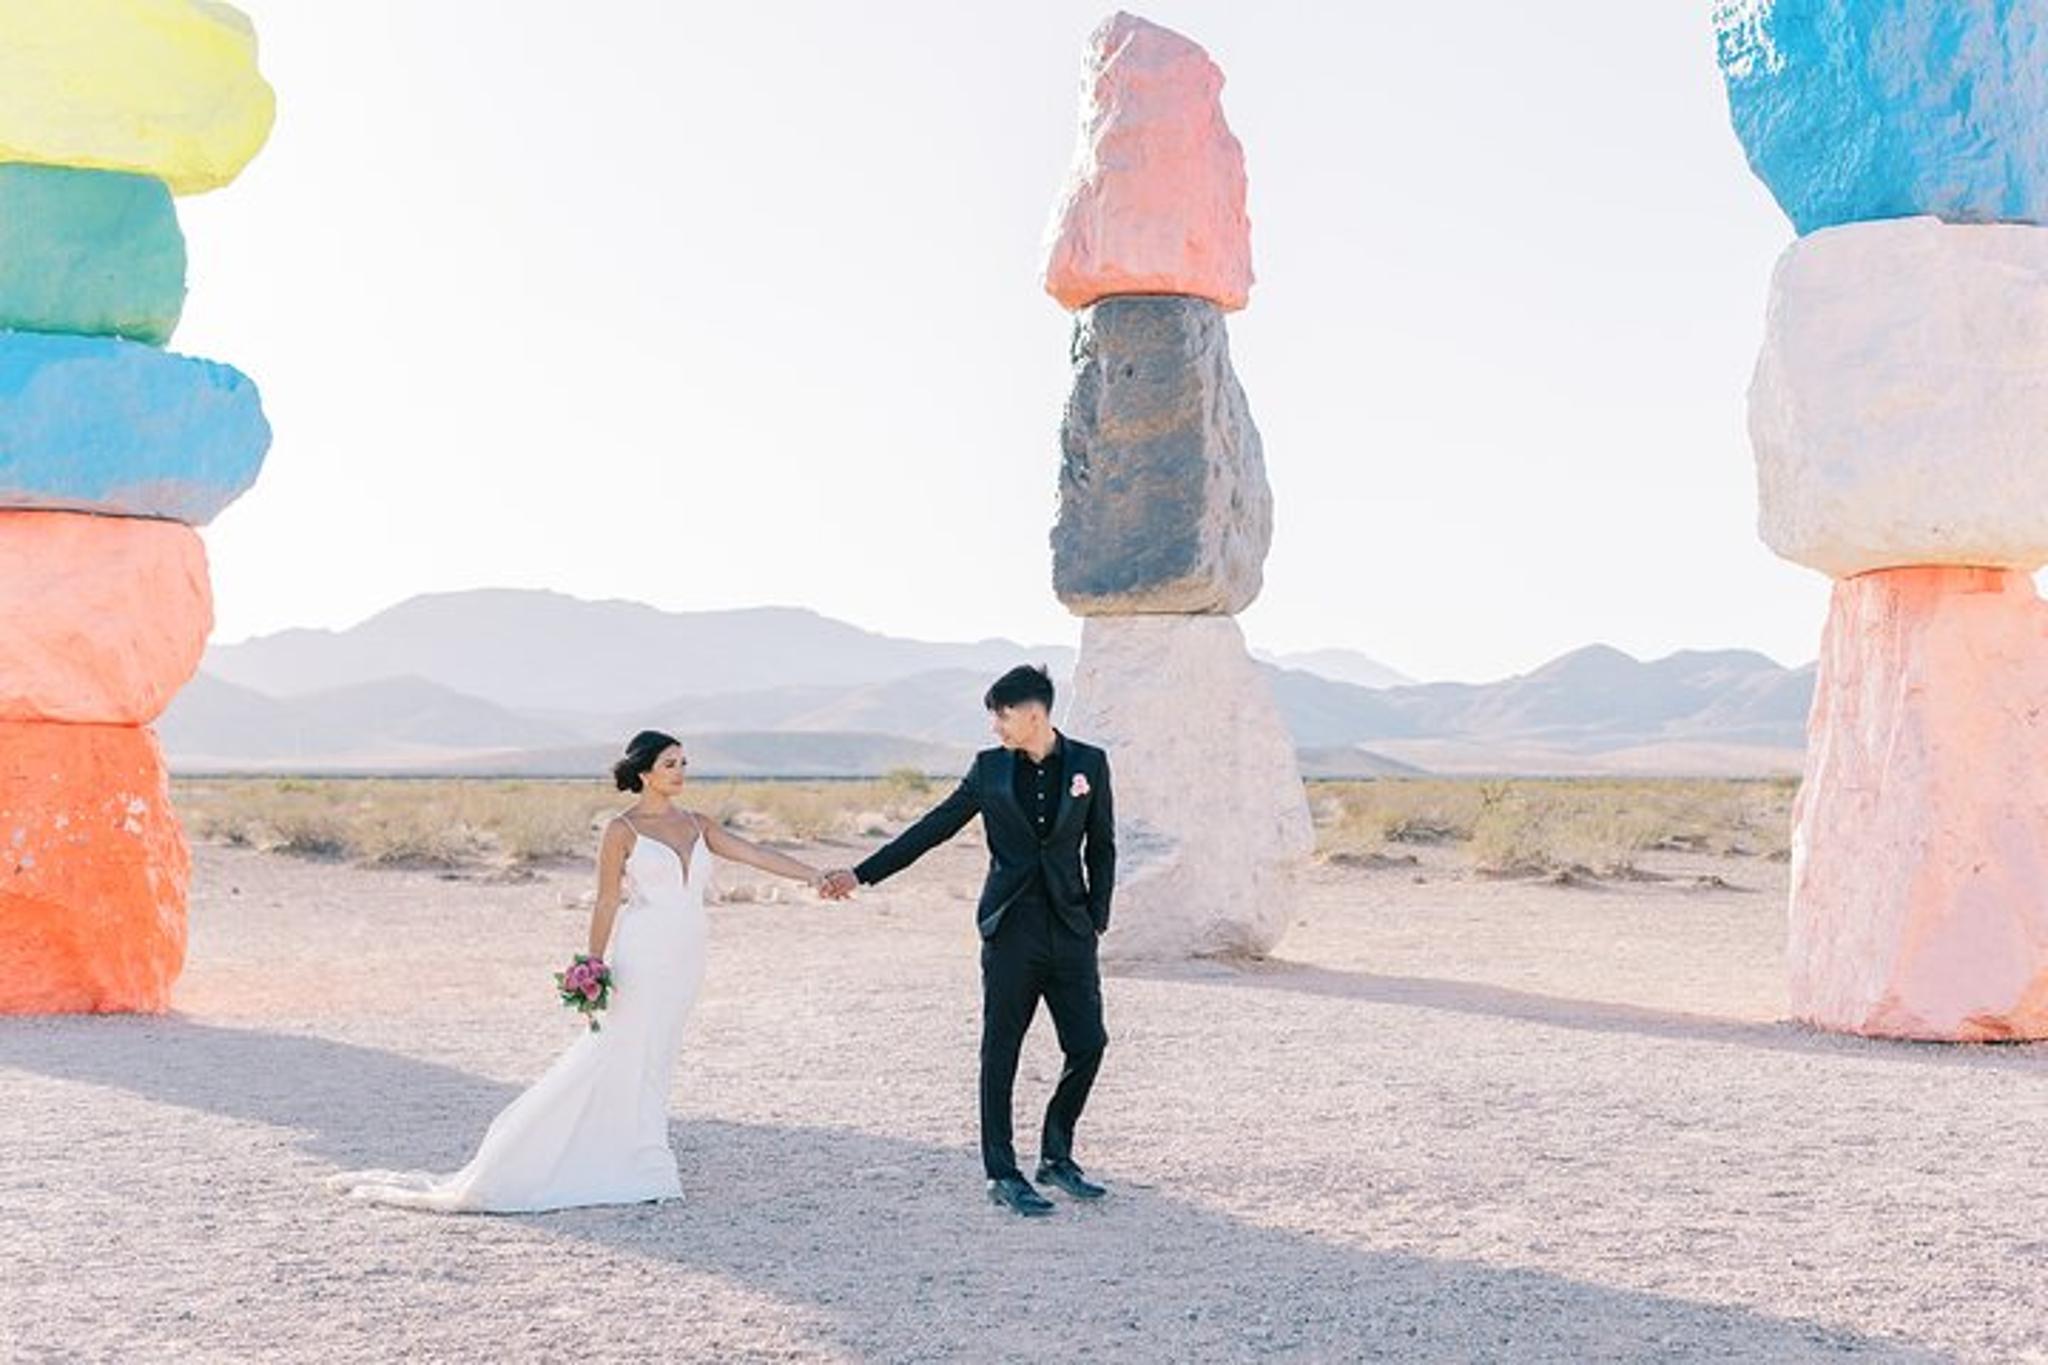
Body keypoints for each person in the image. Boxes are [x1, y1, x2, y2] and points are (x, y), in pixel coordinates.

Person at [329, 730, 833, 1212]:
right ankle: (643, 1166)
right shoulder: (622, 830)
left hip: (687, 955)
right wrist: (592, 965)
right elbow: (607, 900)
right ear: (644, 773)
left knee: (658, 1053)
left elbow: (756, 854)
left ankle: (639, 1156)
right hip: (643, 954)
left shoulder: (700, 825)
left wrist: (815, 875)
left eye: (684, 763)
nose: (681, 772)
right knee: (621, 1048)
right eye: (670, 764)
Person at [822, 665, 1116, 1217]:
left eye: (1002, 715)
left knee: (1088, 1044)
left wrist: (1096, 916)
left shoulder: (1090, 764)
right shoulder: (988, 770)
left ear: (1034, 714)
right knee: (1001, 1050)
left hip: (1071, 929)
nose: (995, 726)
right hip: (1010, 931)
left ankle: (1056, 1156)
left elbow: (1102, 844)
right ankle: (1001, 1173)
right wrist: (860, 874)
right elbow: (931, 830)